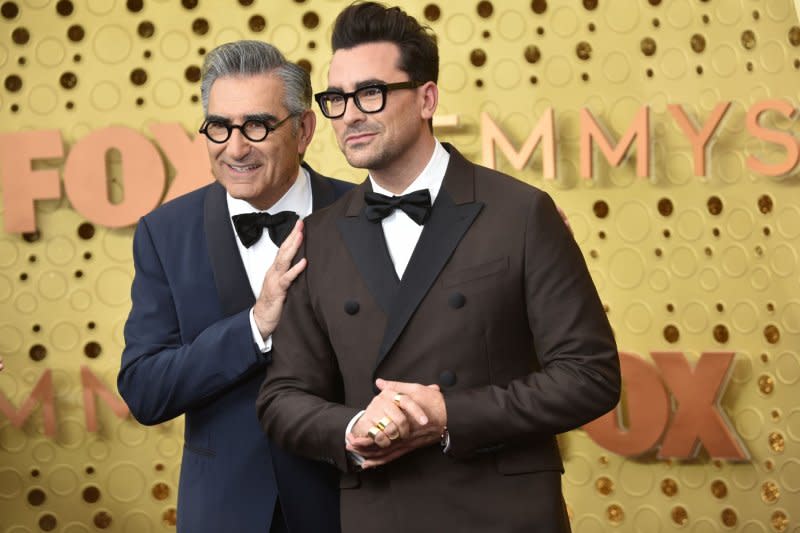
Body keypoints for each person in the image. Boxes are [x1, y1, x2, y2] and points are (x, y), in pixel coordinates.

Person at [256, 3, 621, 532]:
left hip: (505, 516)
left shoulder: (520, 212)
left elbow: (591, 376)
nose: (350, 115)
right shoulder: (321, 236)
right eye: (336, 99)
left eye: (371, 93)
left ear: (426, 97)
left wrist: (451, 414)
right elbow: (283, 398)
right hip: (380, 514)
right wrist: (354, 425)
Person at [118, 40, 350, 533]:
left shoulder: (363, 215)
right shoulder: (165, 233)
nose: (235, 147)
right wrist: (253, 327)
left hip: (350, 504)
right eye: (219, 127)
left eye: (257, 126)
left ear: (304, 129)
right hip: (225, 512)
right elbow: (144, 389)